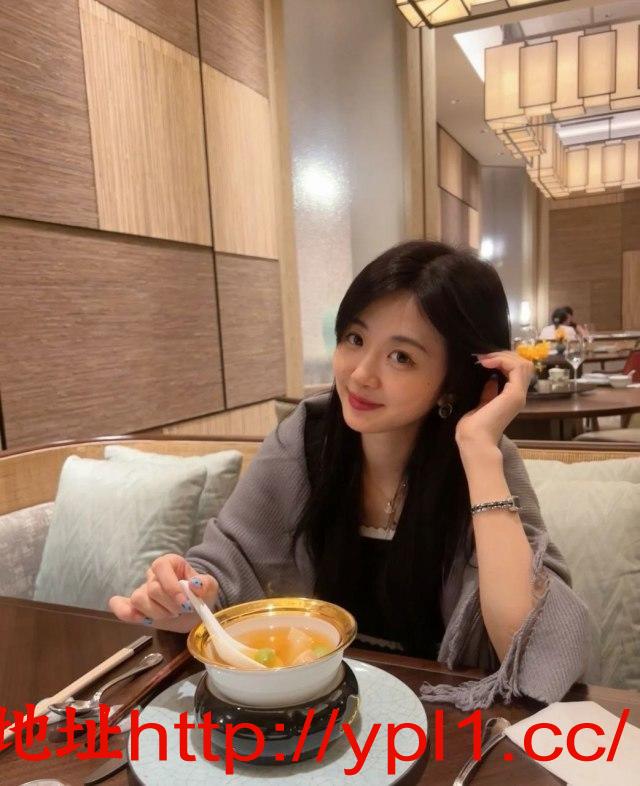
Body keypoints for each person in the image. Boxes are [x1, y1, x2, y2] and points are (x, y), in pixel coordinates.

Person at [110, 241, 593, 709]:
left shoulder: (484, 460)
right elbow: (222, 574)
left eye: (401, 357)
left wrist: (480, 451)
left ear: (454, 380)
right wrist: (185, 594)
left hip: (445, 724)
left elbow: (539, 662)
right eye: (355, 339)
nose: (361, 374)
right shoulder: (305, 439)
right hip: (317, 713)